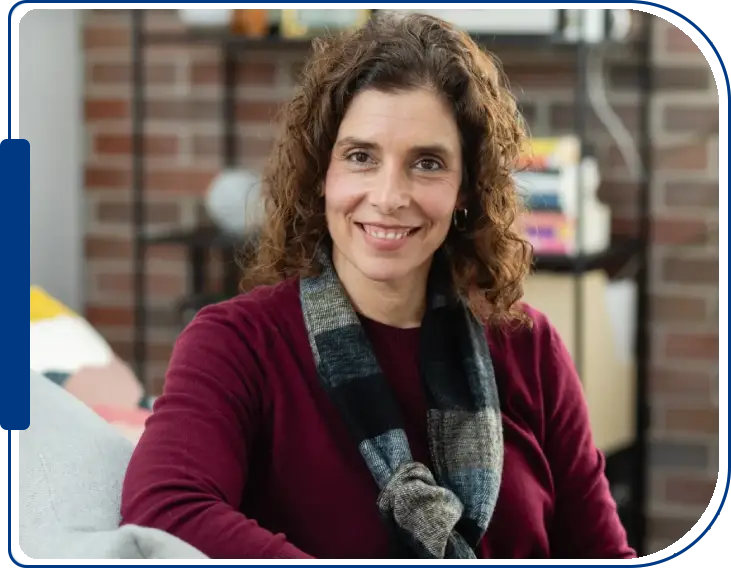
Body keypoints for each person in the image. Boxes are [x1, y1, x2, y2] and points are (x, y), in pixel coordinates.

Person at [120, 11, 636, 560]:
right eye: (362, 157)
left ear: (466, 189)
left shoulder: (531, 349)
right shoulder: (235, 344)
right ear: (324, 172)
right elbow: (165, 508)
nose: (389, 196)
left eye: (428, 163)